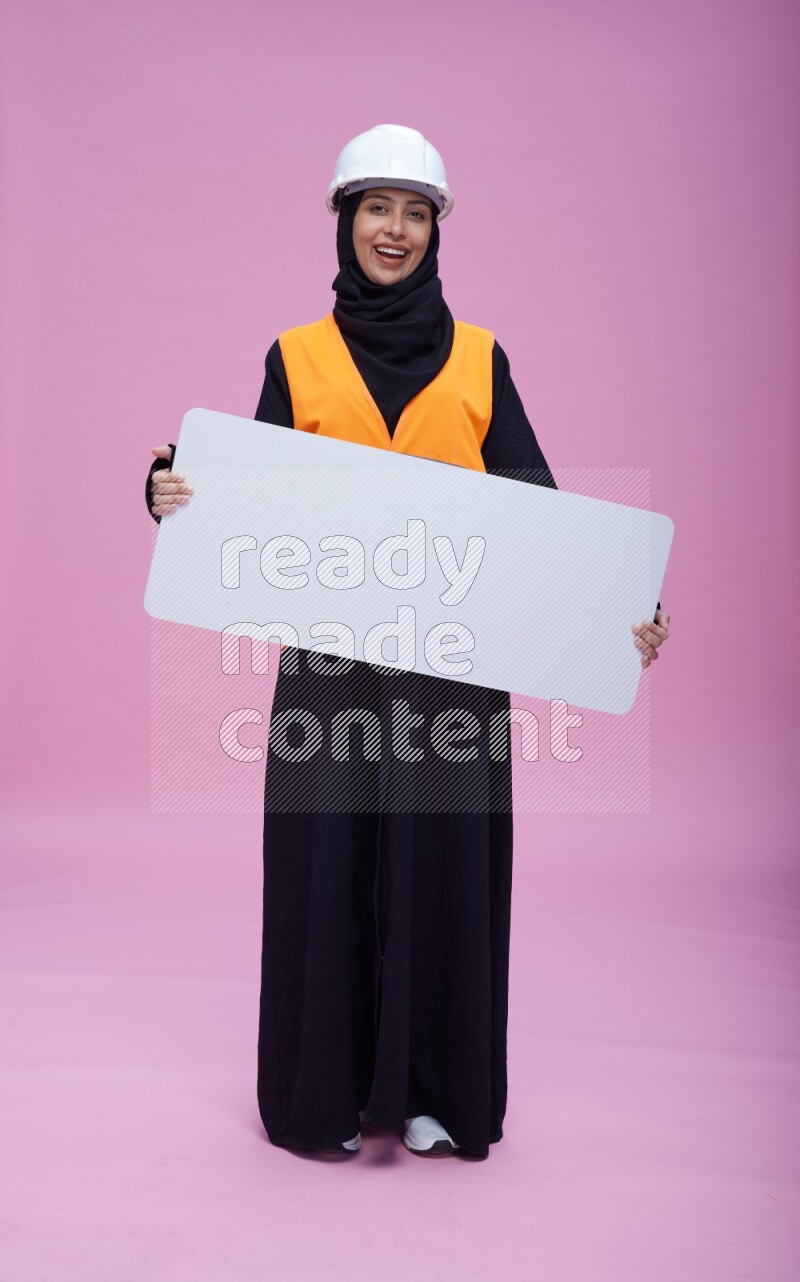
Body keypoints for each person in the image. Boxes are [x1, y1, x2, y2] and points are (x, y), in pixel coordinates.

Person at [146, 124, 671, 1159]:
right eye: (376, 208)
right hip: (330, 675)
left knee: (440, 871)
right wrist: (168, 494)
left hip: (453, 680)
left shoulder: (480, 359)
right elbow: (240, 505)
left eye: (415, 212)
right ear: (345, 220)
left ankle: (433, 1089)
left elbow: (543, 518)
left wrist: (618, 617)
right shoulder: (293, 356)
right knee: (324, 868)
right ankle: (322, 1097)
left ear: (436, 230)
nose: (395, 230)